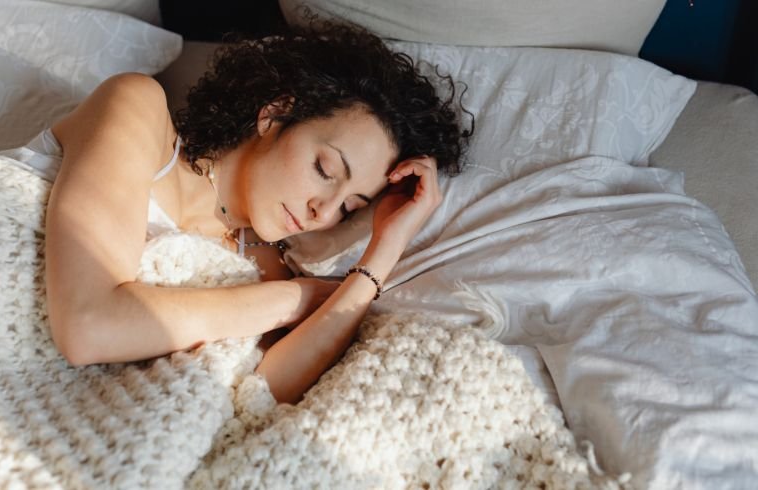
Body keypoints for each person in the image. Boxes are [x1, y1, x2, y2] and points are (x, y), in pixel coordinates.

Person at [32, 20, 468, 404]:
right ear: (275, 114)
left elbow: (264, 395)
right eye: (324, 169)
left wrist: (383, 250)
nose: (323, 211)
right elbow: (87, 328)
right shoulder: (138, 108)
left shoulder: (263, 263)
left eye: (350, 206)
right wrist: (298, 298)